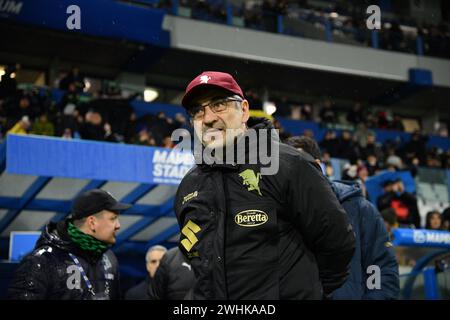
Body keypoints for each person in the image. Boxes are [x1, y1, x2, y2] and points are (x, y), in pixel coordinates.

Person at [175, 71, 355, 300]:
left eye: (219, 104)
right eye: (197, 111)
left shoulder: (288, 165)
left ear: (244, 110)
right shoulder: (188, 187)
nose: (208, 117)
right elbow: (198, 265)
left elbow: (338, 242)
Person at [286, 136, 399, 300]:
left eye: (297, 165)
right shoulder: (277, 212)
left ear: (317, 166)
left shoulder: (361, 210)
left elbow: (379, 269)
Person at [8, 189, 130, 300]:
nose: (118, 225)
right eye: (113, 218)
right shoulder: (43, 261)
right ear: (92, 222)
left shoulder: (109, 258)